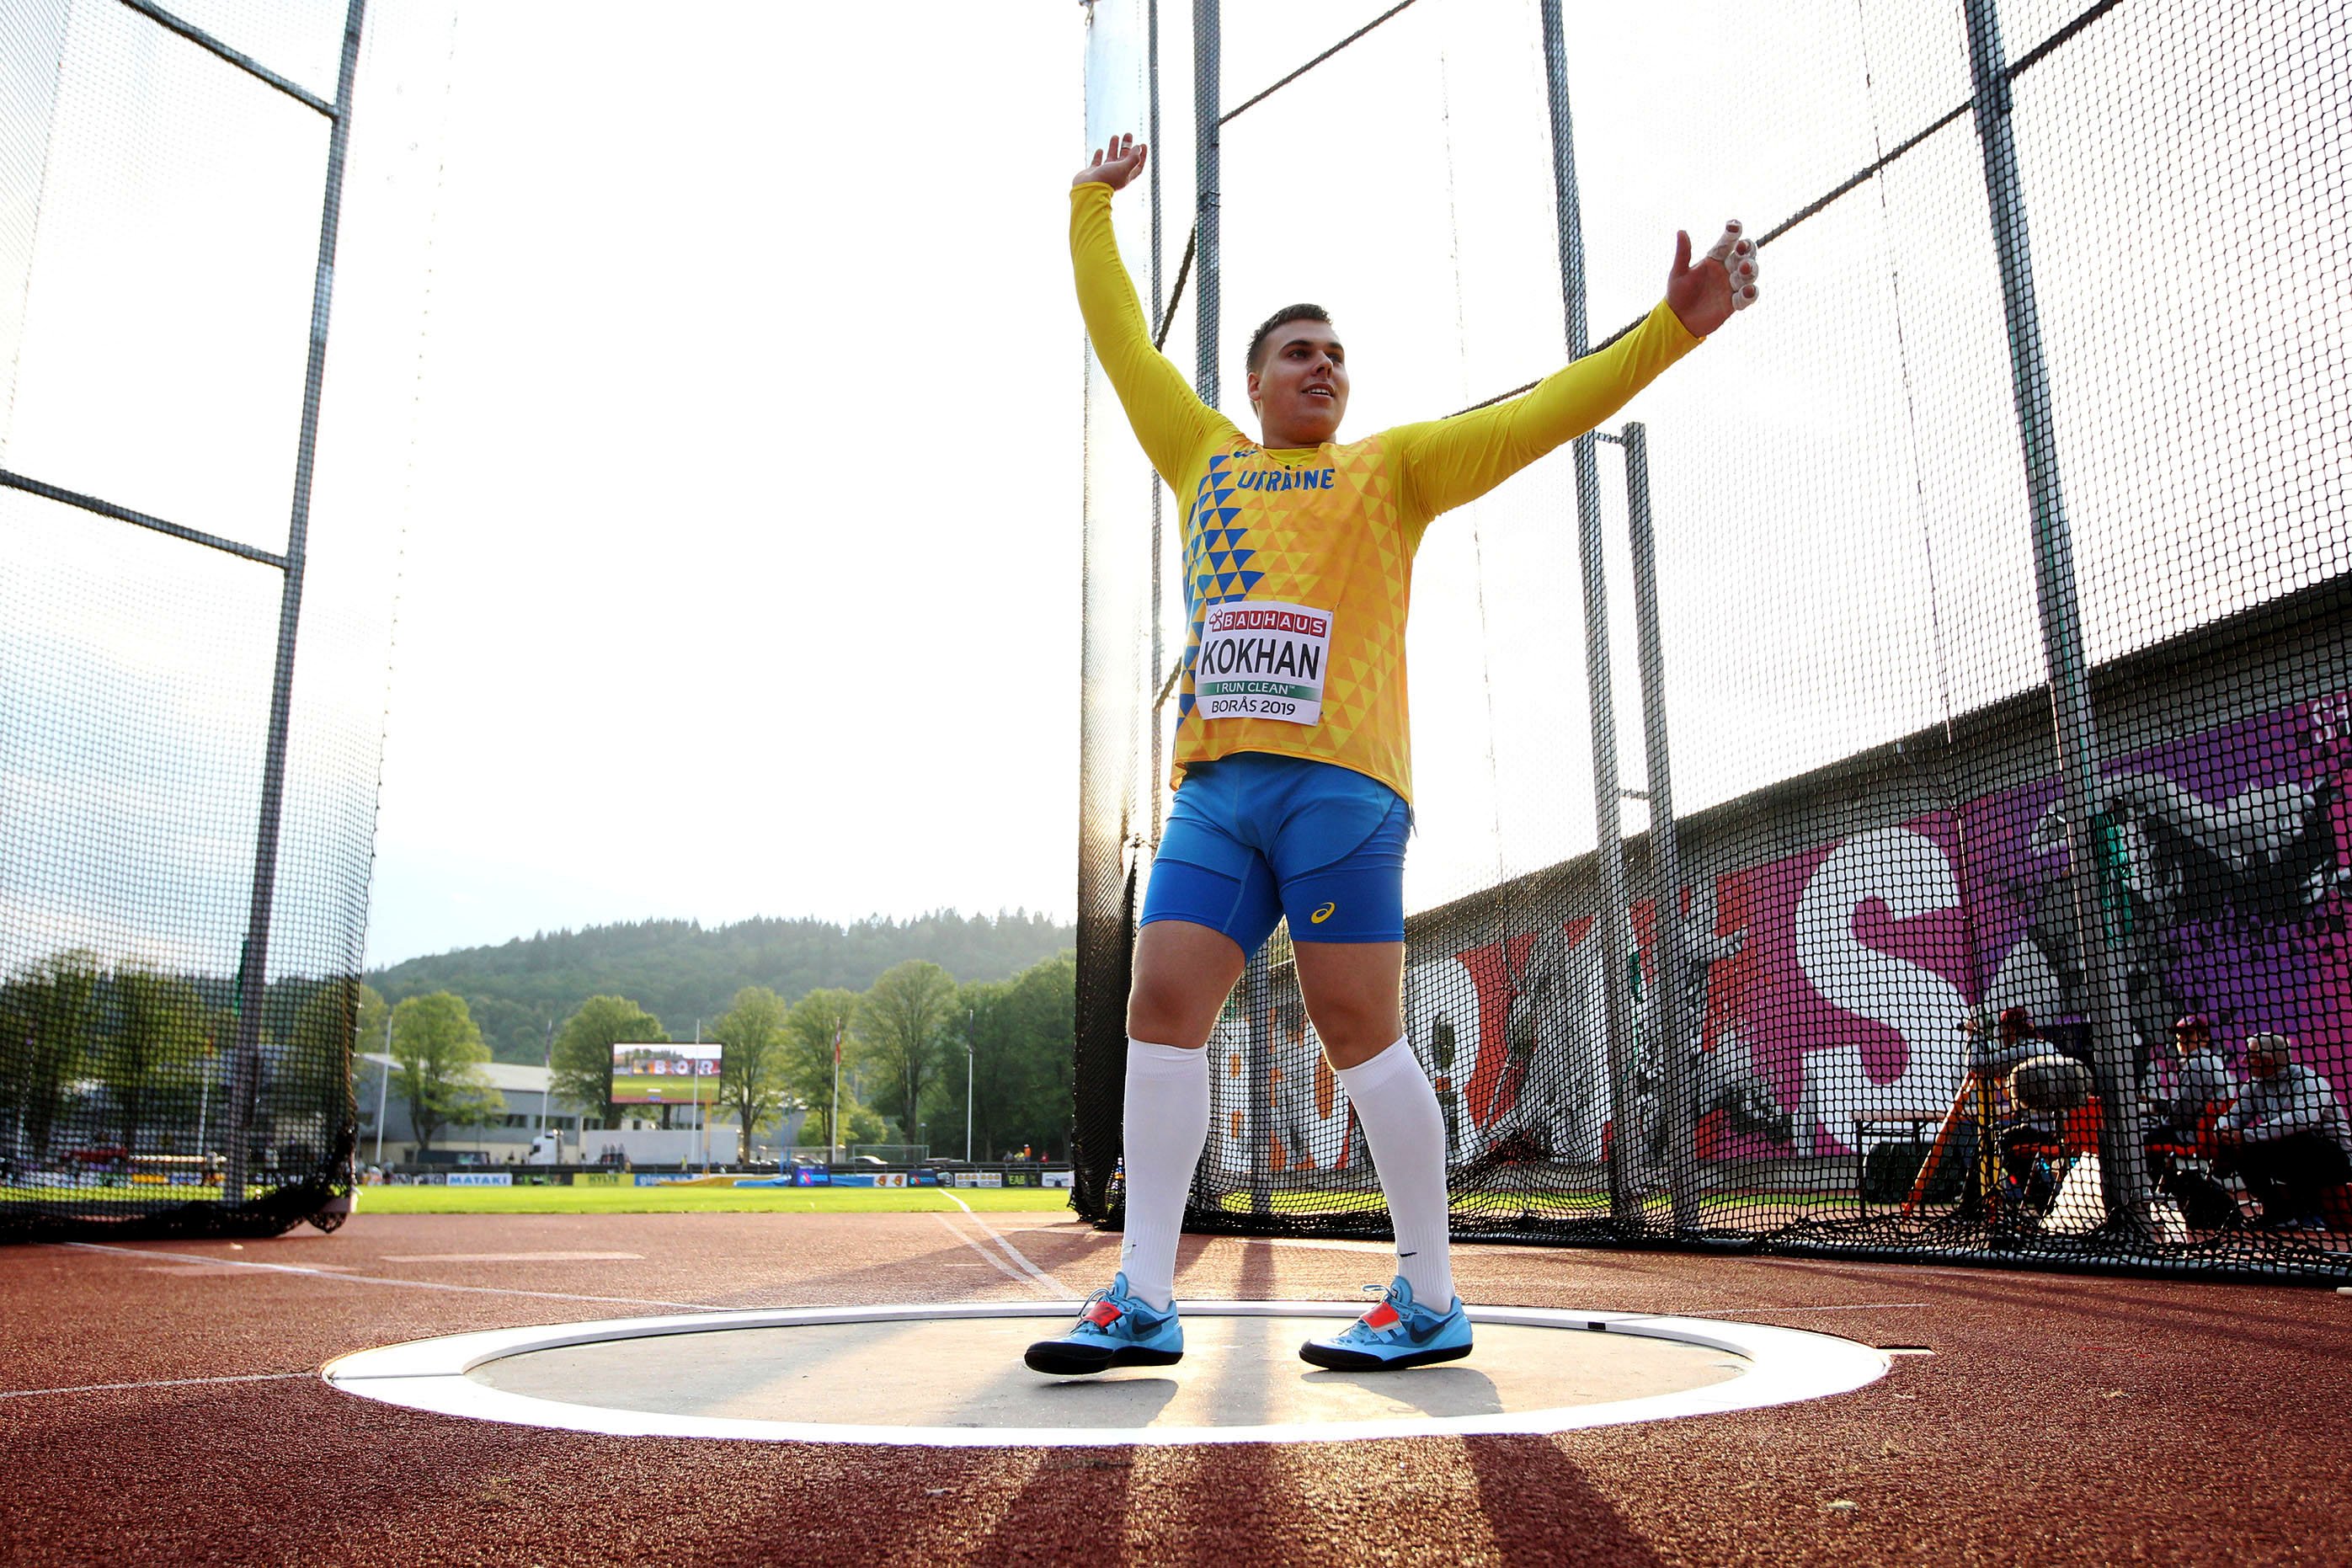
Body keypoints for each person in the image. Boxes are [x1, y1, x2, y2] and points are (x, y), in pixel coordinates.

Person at [1027, 133, 1757, 1377]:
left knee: (1357, 1023)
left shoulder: (1392, 469)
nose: (1324, 366)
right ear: (1253, 382)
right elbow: (1122, 341)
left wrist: (1669, 331)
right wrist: (1089, 203)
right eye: (1299, 352)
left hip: (1344, 792)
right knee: (1161, 1009)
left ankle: (1428, 1294)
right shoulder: (1202, 456)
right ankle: (1143, 1295)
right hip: (1215, 792)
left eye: (1336, 355)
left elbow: (1536, 415)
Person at [2212, 1033, 2352, 1232]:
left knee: (2297, 1139)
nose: (2243, 1061)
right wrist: (2224, 1131)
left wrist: (2245, 1136)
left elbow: (2303, 1119)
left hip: (2333, 1161)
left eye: (2251, 1056)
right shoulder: (2254, 1085)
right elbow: (2233, 1116)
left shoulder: (2309, 1081)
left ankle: (2312, 1212)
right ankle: (2279, 1212)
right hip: (2290, 1155)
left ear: (2268, 1061)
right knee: (2243, 1148)